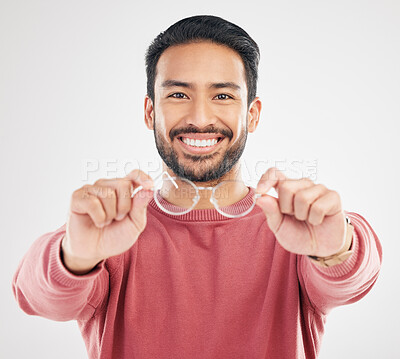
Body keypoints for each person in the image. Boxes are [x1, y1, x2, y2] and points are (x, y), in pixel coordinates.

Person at [12, 15, 382, 359]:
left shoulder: (296, 234)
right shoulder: (111, 232)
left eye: (222, 95)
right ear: (149, 112)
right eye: (178, 94)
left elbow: (354, 279)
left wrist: (337, 249)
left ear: (251, 114)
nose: (200, 118)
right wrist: (74, 259)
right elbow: (36, 297)